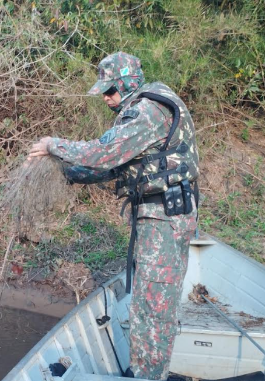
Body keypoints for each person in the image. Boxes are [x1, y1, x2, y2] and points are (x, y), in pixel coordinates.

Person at [27, 52, 199, 380]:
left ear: (127, 83)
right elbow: (114, 166)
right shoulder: (143, 110)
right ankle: (148, 370)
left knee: (152, 309)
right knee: (150, 304)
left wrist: (53, 145)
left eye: (110, 90)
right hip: (158, 218)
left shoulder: (147, 112)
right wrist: (65, 172)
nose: (106, 98)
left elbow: (104, 152)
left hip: (164, 221)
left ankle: (148, 375)